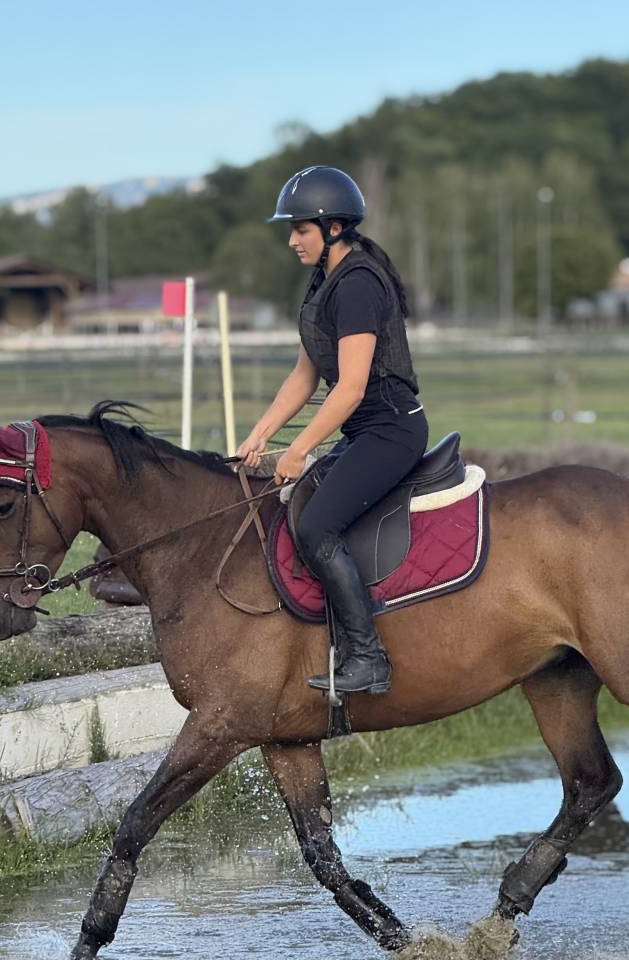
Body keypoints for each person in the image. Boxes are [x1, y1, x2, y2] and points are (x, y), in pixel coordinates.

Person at [235, 165, 428, 695]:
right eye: (291, 230)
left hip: (390, 430)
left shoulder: (360, 284)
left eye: (300, 229)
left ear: (334, 228)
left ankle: (367, 660)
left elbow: (350, 389)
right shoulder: (324, 281)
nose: (291, 239)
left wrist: (298, 449)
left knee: (317, 528)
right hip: (363, 431)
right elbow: (306, 374)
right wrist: (259, 434)